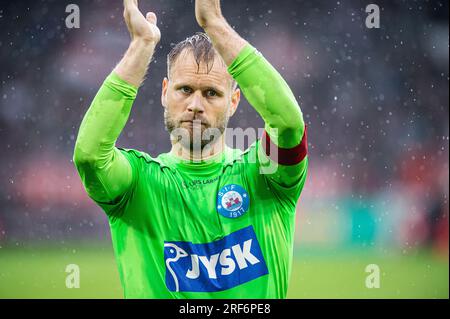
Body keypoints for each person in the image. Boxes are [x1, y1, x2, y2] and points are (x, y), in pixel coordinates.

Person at [73, 0, 308, 298]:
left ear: (234, 101)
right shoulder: (139, 183)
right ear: (164, 92)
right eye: (185, 90)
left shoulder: (265, 173)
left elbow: (288, 125)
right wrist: (141, 46)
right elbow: (90, 156)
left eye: (211, 93)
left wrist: (215, 24)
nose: (195, 105)